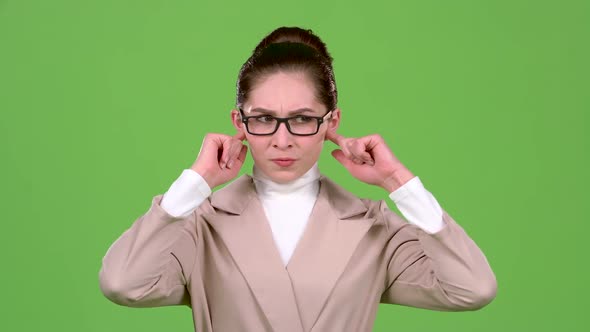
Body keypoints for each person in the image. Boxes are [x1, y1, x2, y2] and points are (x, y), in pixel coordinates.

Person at [98, 26, 497, 332]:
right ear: (239, 122)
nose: (282, 140)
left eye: (303, 119)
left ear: (331, 122)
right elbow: (122, 283)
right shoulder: (200, 224)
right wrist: (195, 181)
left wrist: (397, 181)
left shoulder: (374, 228)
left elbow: (472, 288)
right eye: (264, 119)